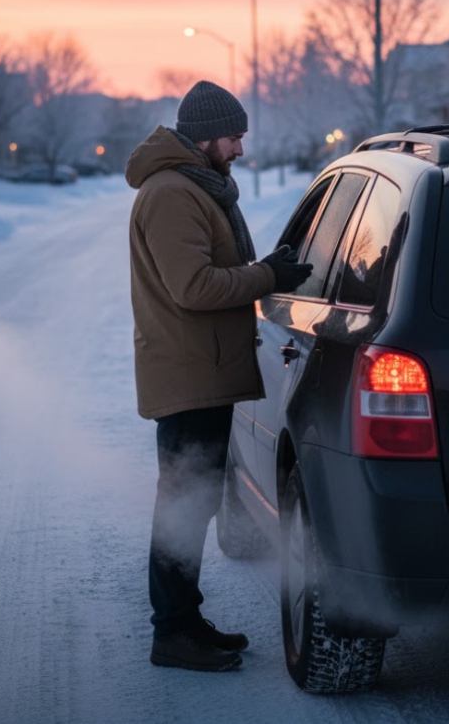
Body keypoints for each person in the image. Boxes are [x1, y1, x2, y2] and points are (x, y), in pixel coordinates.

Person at [125, 80, 312, 672]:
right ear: (205, 135)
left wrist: (267, 272)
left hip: (200, 369)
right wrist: (267, 275)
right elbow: (195, 286)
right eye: (233, 137)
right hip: (188, 374)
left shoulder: (195, 186)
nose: (238, 149)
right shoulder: (172, 194)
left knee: (194, 503)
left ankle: (183, 621)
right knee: (182, 505)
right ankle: (173, 633)